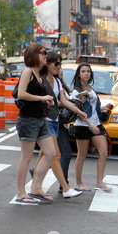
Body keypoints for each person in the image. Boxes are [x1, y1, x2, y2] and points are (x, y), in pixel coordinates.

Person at [30, 51, 85, 198]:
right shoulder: (41, 80)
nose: (59, 67)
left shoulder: (58, 81)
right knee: (56, 155)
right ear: (47, 64)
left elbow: (65, 101)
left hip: (55, 121)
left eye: (60, 64)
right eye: (56, 64)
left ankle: (35, 185)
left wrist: (79, 112)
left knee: (44, 154)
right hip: (45, 120)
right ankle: (66, 188)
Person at [15, 43, 56, 204]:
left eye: (46, 53)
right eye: (43, 53)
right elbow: (21, 93)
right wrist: (42, 98)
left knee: (51, 152)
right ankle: (20, 193)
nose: (46, 56)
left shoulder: (39, 75)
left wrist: (47, 100)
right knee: (26, 157)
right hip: (28, 120)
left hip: (40, 119)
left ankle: (36, 188)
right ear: (34, 55)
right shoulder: (28, 71)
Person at [71, 63, 113, 192]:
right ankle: (78, 183)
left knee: (104, 152)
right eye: (83, 71)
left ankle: (99, 182)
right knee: (82, 155)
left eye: (88, 71)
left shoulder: (91, 88)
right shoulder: (76, 92)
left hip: (96, 124)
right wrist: (90, 125)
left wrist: (103, 108)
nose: (86, 73)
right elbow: (79, 112)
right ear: (79, 74)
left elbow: (92, 108)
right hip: (83, 126)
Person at [56, 61, 75, 187]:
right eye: (58, 68)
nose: (60, 70)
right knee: (66, 153)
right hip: (54, 122)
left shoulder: (60, 84)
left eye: (61, 68)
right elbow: (55, 102)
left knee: (49, 154)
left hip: (60, 123)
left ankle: (36, 173)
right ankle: (64, 184)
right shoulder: (52, 82)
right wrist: (70, 101)